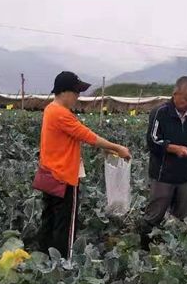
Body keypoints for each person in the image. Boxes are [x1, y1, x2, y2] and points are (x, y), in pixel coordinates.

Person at [36, 71, 131, 259]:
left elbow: (73, 138)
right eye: (76, 92)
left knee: (49, 219)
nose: (78, 97)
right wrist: (118, 148)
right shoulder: (61, 113)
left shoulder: (50, 109)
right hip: (63, 177)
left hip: (49, 175)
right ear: (64, 92)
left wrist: (106, 149)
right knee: (65, 225)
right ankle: (62, 264)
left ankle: (43, 259)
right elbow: (87, 136)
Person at [140, 76, 187, 249]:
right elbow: (152, 141)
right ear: (175, 94)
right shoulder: (160, 112)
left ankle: (175, 251)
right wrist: (174, 148)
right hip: (163, 175)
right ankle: (144, 251)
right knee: (154, 215)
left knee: (182, 216)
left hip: (185, 175)